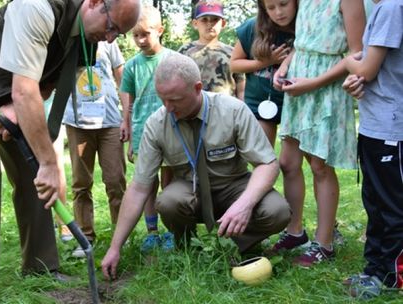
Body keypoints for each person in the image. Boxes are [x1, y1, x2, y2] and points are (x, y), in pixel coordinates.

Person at [0, 0, 140, 302]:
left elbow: (47, 87)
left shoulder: (88, 40)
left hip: (6, 91)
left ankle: (41, 266)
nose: (111, 38)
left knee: (34, 168)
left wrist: (23, 127)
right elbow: (24, 90)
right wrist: (49, 160)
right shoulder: (37, 7)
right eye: (112, 27)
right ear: (95, 3)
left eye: (119, 34)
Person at [101, 53, 291, 280]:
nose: (168, 107)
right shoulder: (156, 123)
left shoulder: (233, 111)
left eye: (175, 99)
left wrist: (244, 205)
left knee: (277, 211)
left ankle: (230, 245)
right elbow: (139, 188)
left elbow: (267, 164)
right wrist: (115, 247)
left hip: (233, 186)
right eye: (163, 99)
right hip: (190, 189)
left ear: (197, 87)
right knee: (168, 202)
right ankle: (189, 248)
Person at [269, 0, 365, 267]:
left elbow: (356, 55)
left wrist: (312, 83)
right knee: (288, 162)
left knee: (319, 165)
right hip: (299, 82)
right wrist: (284, 67)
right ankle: (295, 232)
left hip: (325, 86)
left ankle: (324, 245)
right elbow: (302, 43)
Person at [342, 0, 403, 299]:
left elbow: (366, 66)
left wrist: (350, 62)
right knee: (375, 202)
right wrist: (358, 78)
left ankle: (390, 275)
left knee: (392, 206)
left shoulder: (392, 6)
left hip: (391, 127)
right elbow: (375, 71)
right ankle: (374, 269)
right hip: (375, 123)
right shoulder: (384, 7)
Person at [62, 41, 127, 258]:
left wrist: (127, 115)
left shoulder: (108, 41)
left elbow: (121, 76)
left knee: (116, 181)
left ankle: (122, 236)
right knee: (81, 183)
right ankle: (85, 238)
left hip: (109, 121)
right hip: (77, 122)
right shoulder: (67, 39)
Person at [120, 5, 176, 253]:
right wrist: (129, 133)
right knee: (147, 182)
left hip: (171, 130)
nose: (141, 40)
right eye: (136, 35)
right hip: (143, 132)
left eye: (146, 34)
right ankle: (152, 231)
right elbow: (128, 102)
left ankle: (173, 230)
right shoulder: (131, 66)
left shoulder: (173, 60)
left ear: (160, 30)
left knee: (170, 181)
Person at [230, 0, 296, 146]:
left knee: (293, 166)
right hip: (260, 103)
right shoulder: (251, 27)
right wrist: (266, 62)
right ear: (263, 9)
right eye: (271, 8)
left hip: (296, 103)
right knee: (262, 158)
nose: (278, 12)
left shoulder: (304, 26)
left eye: (283, 4)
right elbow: (234, 64)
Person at [179, 0, 245, 100]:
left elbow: (241, 89)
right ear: (195, 23)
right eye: (204, 20)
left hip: (226, 109)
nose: (209, 24)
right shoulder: (184, 52)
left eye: (215, 20)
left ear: (223, 23)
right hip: (193, 109)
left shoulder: (233, 53)